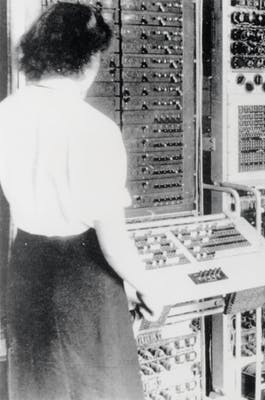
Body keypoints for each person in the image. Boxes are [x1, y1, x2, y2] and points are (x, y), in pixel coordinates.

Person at [0, 4, 165, 399]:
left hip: (26, 270)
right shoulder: (95, 129)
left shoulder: (5, 114)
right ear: (89, 59)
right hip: (85, 283)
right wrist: (146, 287)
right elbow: (113, 242)